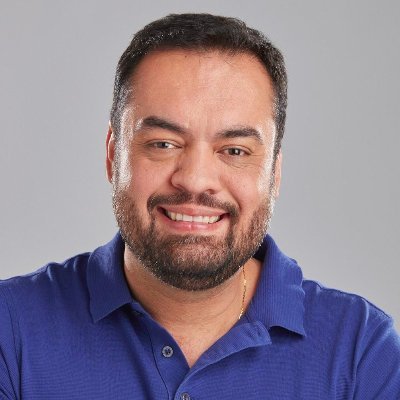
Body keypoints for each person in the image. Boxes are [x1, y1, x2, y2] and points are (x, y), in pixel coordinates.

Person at [1, 13, 399, 400]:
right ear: (112, 155)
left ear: (274, 173)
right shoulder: (11, 329)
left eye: (234, 150)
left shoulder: (363, 354)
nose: (194, 179)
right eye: (163, 144)